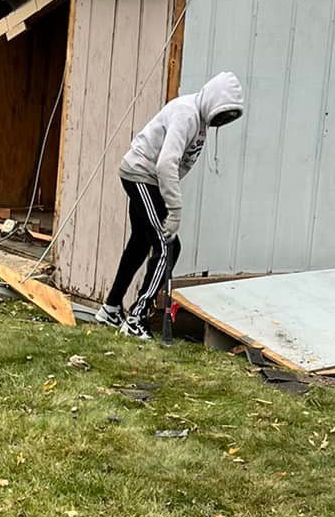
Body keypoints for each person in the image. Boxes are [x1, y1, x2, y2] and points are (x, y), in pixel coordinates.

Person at [97, 70, 244, 337]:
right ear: (212, 99)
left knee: (141, 241)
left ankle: (110, 309)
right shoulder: (186, 114)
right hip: (142, 175)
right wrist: (174, 211)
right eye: (221, 113)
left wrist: (167, 199)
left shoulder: (199, 122)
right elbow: (167, 163)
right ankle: (137, 319)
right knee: (168, 247)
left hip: (147, 178)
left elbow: (176, 167)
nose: (221, 121)